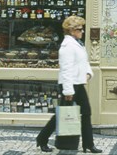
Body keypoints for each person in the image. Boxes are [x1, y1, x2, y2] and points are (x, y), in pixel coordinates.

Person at [36, 16, 102, 153]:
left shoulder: (77, 43)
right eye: (79, 29)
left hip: (77, 83)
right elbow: (65, 69)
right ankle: (42, 139)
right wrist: (68, 91)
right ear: (71, 30)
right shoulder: (67, 46)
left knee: (86, 112)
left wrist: (88, 73)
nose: (82, 31)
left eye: (82, 29)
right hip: (70, 85)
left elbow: (84, 62)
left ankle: (88, 144)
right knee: (61, 115)